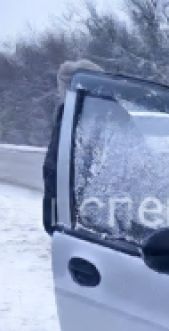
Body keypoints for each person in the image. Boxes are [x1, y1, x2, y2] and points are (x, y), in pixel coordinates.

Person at [42, 59, 101, 233]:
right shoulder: (113, 113)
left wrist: (53, 221)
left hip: (87, 220)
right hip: (101, 217)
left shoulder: (71, 115)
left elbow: (54, 170)